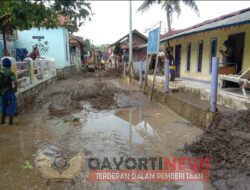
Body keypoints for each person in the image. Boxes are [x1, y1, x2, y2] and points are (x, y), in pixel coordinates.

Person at [0, 58, 17, 125]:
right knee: (12, 106)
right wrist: (15, 89)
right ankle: (10, 123)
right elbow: (15, 82)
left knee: (3, 106)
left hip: (1, 92)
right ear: (10, 65)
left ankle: (2, 121)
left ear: (3, 65)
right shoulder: (11, 73)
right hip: (9, 91)